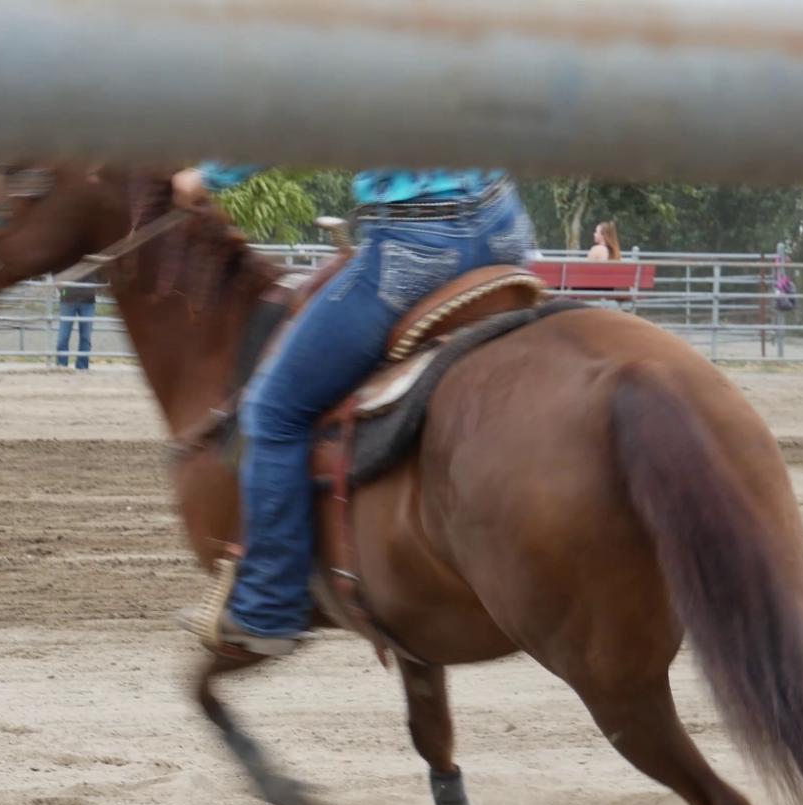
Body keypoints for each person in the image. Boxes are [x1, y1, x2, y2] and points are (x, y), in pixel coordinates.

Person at [173, 163, 536, 661]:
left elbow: (290, 109)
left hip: (414, 245)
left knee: (272, 409)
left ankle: (267, 608)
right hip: (505, 227)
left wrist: (204, 178)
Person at [55, 269, 101, 371]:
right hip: (67, 300)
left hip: (88, 301)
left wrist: (94, 289)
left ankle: (82, 367)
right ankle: (61, 366)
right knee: (63, 337)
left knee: (85, 337)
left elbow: (102, 273)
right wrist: (62, 288)